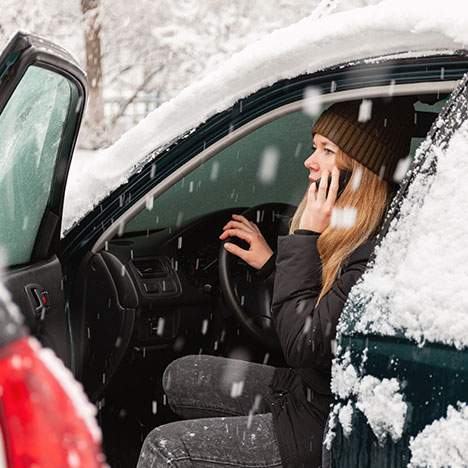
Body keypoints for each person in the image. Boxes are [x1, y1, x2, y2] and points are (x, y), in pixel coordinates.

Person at [137, 98, 414, 468]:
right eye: (315, 147)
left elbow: (303, 344)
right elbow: (320, 308)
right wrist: (270, 265)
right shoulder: (352, 235)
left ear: (358, 170)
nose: (309, 161)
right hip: (312, 391)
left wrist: (303, 236)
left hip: (326, 422)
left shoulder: (372, 250)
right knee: (180, 375)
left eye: (326, 151)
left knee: (165, 449)